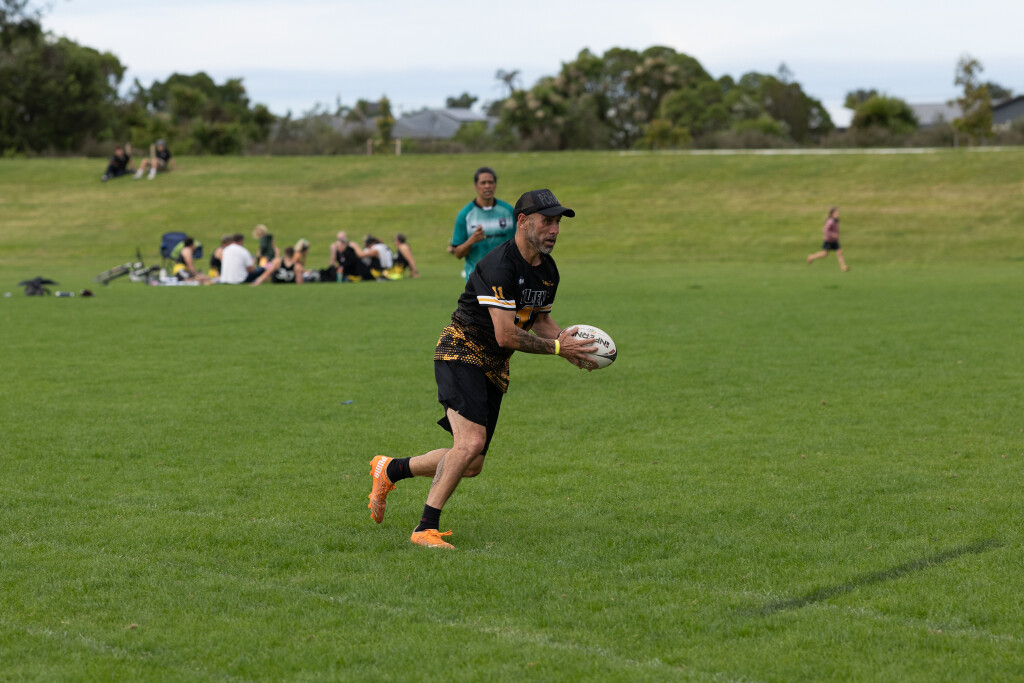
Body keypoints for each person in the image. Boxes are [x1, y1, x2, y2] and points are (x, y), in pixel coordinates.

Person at [367, 189, 599, 549]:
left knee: (472, 462)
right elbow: (506, 335)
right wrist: (557, 348)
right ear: (522, 222)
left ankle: (391, 469)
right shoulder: (499, 265)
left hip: (494, 366)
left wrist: (568, 345)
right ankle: (425, 528)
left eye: (557, 223)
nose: (554, 230)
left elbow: (539, 320)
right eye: (547, 221)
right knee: (470, 442)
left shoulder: (547, 270)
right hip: (460, 350)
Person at [451, 166, 516, 280]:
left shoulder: (509, 211)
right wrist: (471, 240)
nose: (487, 186)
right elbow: (458, 254)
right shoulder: (465, 215)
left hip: (506, 277)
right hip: (477, 280)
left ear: (495, 185)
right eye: (483, 183)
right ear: (476, 186)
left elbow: (520, 244)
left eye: (490, 182)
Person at [807, 206, 849, 271]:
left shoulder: (836, 221)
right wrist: (833, 235)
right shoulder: (830, 221)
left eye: (838, 213)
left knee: (839, 252)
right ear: (832, 214)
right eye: (837, 213)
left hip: (834, 241)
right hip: (829, 240)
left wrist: (836, 235)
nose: (838, 214)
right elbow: (825, 230)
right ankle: (811, 257)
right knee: (825, 254)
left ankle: (843, 267)